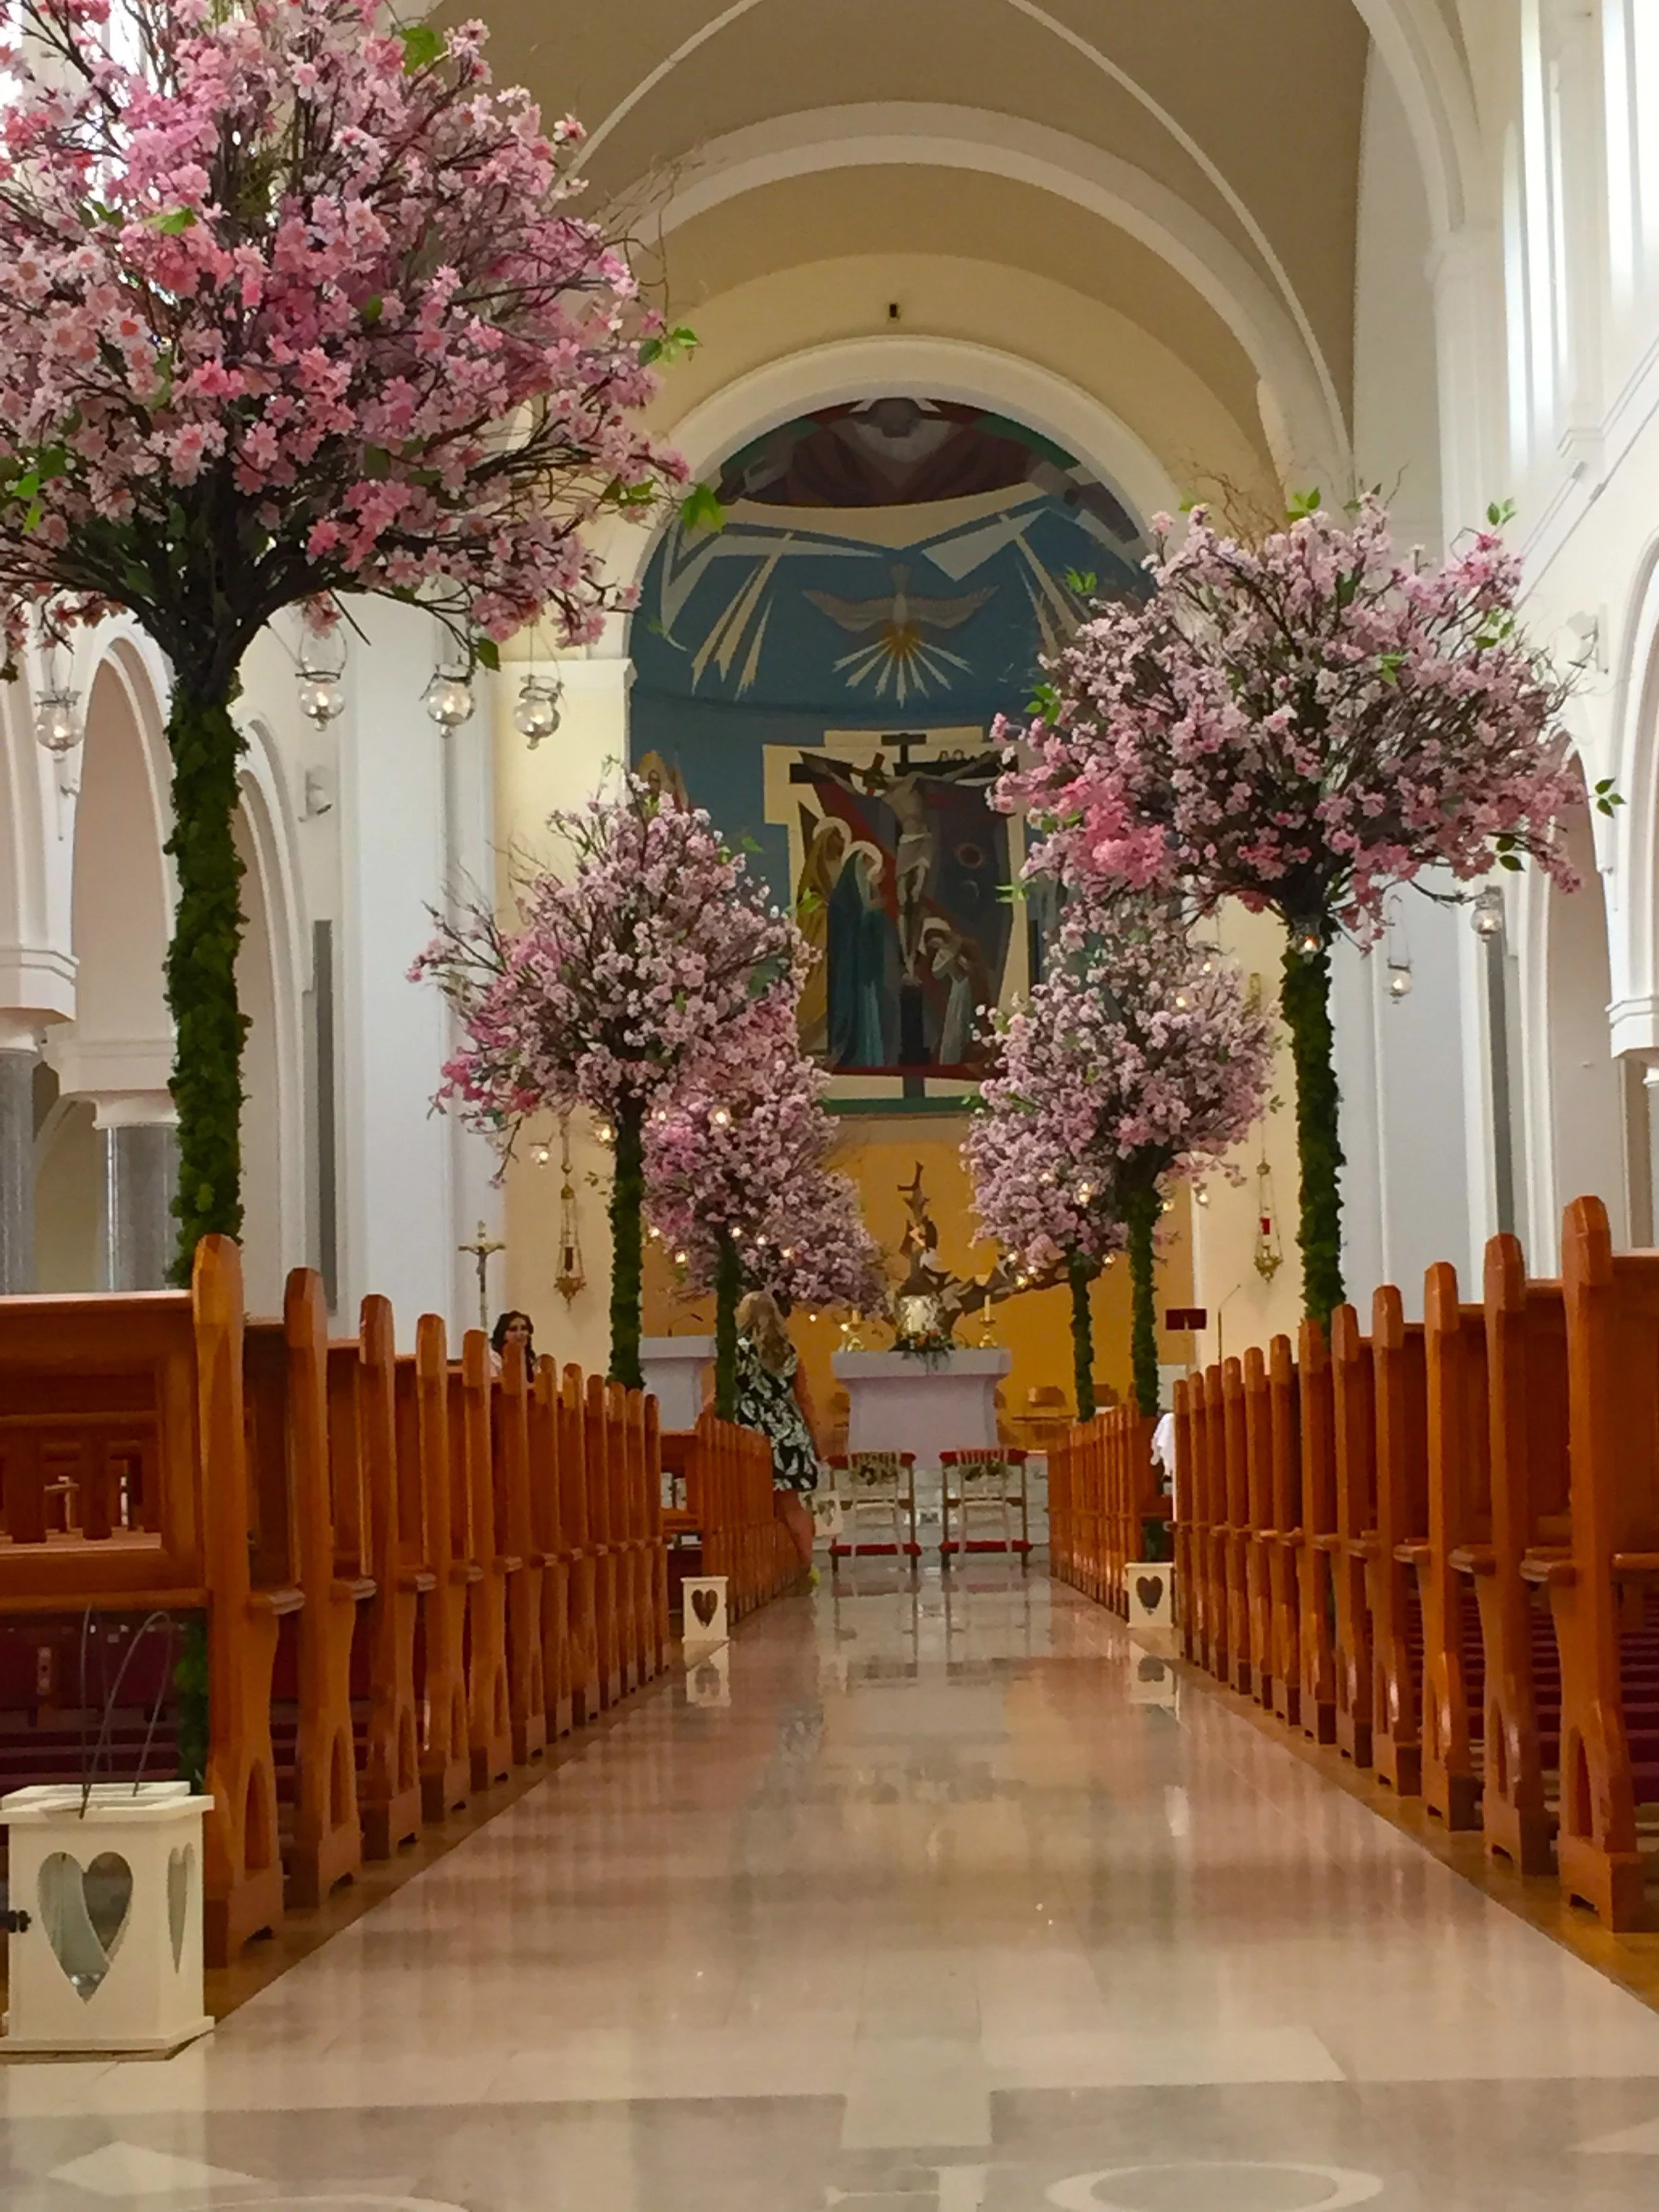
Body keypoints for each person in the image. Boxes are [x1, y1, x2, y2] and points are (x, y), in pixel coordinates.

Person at [733, 1290, 823, 1580]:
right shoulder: (788, 1352)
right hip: (789, 1434)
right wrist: (815, 1441)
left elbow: (724, 1392)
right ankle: (807, 1568)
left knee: (755, 1507)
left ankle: (760, 1571)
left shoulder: (739, 1349)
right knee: (791, 1505)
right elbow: (805, 1399)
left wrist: (702, 1418)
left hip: (753, 1434)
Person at [490, 1309, 535, 1379]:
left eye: (524, 1329)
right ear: (503, 1335)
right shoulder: (493, 1360)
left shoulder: (532, 1360)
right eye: (513, 1329)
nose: (520, 1334)